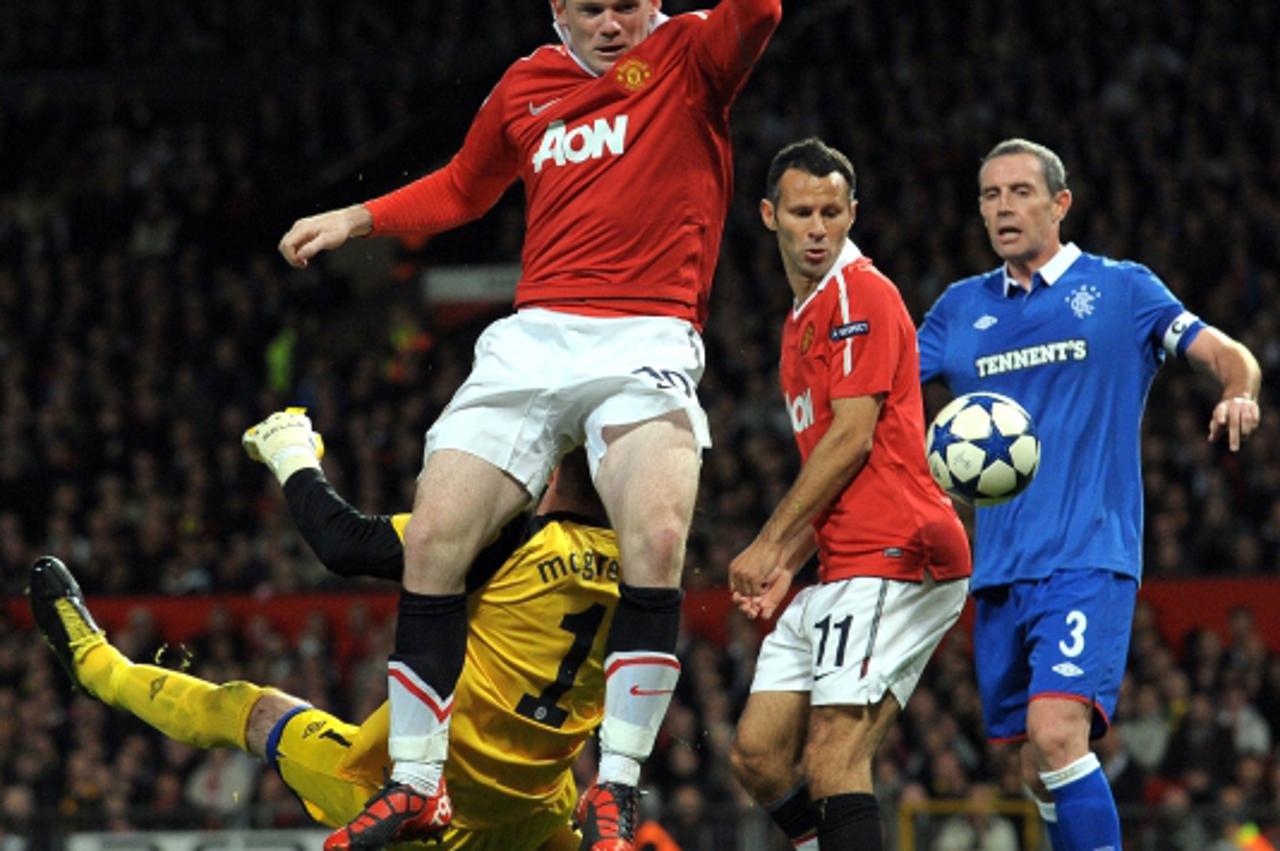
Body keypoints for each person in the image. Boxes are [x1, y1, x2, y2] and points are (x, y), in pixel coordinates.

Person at [275, 2, 782, 847]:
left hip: (646, 333)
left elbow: (761, 8)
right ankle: (414, 782)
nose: (613, 23)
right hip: (535, 336)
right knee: (436, 537)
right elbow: (465, 188)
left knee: (656, 536)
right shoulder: (524, 85)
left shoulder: (693, 54)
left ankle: (615, 788)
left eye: (629, 5)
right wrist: (356, 218)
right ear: (559, 11)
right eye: (592, 9)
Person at [27, 410, 621, 851]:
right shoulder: (644, 569)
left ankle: (95, 667)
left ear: (549, 472)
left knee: (252, 711)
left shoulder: (508, 541)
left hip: (428, 809)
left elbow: (342, 542)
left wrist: (290, 453)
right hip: (537, 810)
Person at [917, 137, 1263, 851]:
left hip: (1088, 553)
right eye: (990, 195)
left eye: (1020, 191)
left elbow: (1225, 351)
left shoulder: (1122, 290)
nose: (1004, 207)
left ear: (1060, 202)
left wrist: (1239, 391)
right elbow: (885, 396)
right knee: (1031, 765)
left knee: (1056, 732)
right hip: (1001, 571)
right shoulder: (959, 309)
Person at [727, 138, 972, 851]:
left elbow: (854, 438)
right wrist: (789, 563)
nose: (817, 227)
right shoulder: (799, 318)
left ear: (851, 213)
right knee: (759, 755)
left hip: (902, 550)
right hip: (844, 558)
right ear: (770, 215)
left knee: (835, 756)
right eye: (801, 211)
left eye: (831, 211)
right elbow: (832, 472)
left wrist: (769, 541)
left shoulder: (860, 290)